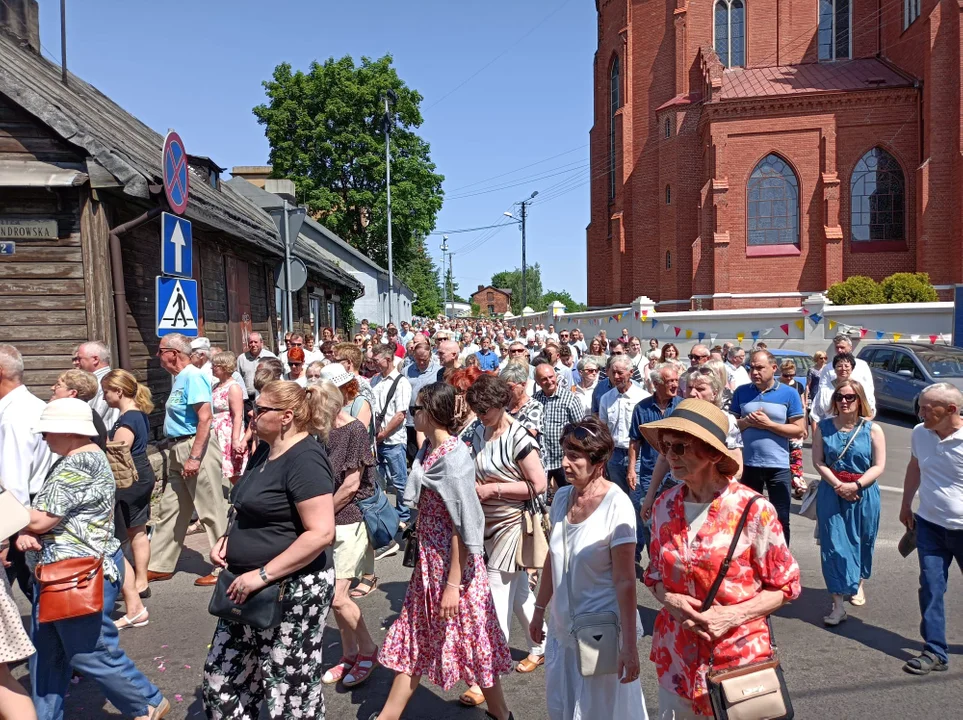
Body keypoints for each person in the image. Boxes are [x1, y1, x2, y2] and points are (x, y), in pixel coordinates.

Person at [641, 399, 801, 718]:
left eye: (681, 447)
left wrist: (729, 616)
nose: (671, 455)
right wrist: (671, 600)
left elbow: (787, 586)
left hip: (737, 662)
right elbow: (653, 576)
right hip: (677, 660)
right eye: (666, 446)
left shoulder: (753, 509)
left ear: (714, 453)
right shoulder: (663, 506)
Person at [19, 398, 169, 720]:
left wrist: (15, 516)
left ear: (69, 431)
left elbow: (42, 519)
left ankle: (147, 701)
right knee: (48, 655)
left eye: (47, 431)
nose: (43, 437)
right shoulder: (83, 457)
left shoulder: (77, 464)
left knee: (89, 652)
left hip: (75, 574)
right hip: (64, 572)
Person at [373, 383, 515, 720]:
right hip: (430, 566)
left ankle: (502, 714)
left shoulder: (452, 459)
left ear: (432, 413)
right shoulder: (428, 453)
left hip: (455, 571)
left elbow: (463, 527)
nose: (411, 416)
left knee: (476, 644)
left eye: (415, 410)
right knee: (416, 640)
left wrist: (453, 584)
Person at [202, 380, 336, 719]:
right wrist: (227, 539)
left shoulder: (306, 459)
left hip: (290, 590)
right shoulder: (265, 448)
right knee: (221, 682)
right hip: (242, 585)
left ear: (286, 416)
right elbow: (249, 503)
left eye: (260, 409)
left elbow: (321, 533)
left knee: (289, 691)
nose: (251, 412)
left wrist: (261, 575)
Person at [529, 417, 647, 720]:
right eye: (565, 454)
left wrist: (630, 648)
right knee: (564, 708)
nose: (565, 464)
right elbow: (553, 559)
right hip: (562, 631)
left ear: (599, 461)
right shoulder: (563, 498)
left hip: (599, 633)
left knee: (596, 712)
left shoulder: (616, 505)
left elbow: (625, 581)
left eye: (575, 456)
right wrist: (539, 609)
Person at [463, 374, 547, 707]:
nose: (480, 415)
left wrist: (493, 489)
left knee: (494, 598)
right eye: (477, 409)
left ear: (502, 405)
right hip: (484, 522)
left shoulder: (519, 436)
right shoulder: (479, 431)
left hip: (512, 523)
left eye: (485, 410)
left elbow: (539, 484)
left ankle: (485, 677)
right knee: (519, 595)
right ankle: (542, 646)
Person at [306, 381, 380, 689]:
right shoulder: (323, 433)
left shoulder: (354, 431)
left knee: (337, 598)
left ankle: (368, 650)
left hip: (349, 521)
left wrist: (321, 514)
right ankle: (349, 654)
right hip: (328, 522)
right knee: (334, 596)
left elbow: (351, 486)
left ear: (331, 407)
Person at [147, 333, 228, 586]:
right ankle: (159, 563)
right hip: (177, 448)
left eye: (160, 350)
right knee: (170, 508)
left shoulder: (193, 376)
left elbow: (205, 418)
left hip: (195, 446)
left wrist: (195, 456)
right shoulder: (180, 378)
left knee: (211, 508)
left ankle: (225, 566)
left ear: (173, 353)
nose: (157, 355)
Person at [899, 382, 963, 675]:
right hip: (929, 525)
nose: (920, 412)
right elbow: (915, 467)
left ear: (951, 410)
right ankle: (935, 650)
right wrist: (905, 504)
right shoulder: (919, 433)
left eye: (928, 407)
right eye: (920, 405)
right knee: (931, 588)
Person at [811, 378, 884, 626]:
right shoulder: (823, 427)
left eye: (849, 397)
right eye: (839, 397)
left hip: (864, 493)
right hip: (832, 491)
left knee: (863, 539)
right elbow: (818, 461)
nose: (843, 401)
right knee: (833, 546)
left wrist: (856, 485)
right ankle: (838, 605)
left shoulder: (872, 429)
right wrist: (839, 486)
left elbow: (879, 465)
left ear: (859, 400)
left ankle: (857, 582)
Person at [101, 369, 157, 630]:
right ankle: (141, 581)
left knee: (123, 534)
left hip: (129, 479)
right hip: (141, 474)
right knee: (138, 529)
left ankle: (134, 583)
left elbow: (118, 454)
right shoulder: (137, 414)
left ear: (119, 391)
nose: (104, 396)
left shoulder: (128, 419)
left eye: (107, 391)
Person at [731, 349, 805, 544]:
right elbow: (732, 425)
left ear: (774, 368)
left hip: (778, 465)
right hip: (748, 464)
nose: (755, 372)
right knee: (747, 517)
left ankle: (781, 562)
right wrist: (746, 422)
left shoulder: (789, 393)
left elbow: (799, 430)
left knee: (780, 518)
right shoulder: (741, 392)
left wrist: (769, 425)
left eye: (760, 368)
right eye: (751, 368)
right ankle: (750, 562)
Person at [0, 345, 54, 597]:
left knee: (36, 587)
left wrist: (13, 530)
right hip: (32, 507)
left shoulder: (14, 416)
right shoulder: (35, 404)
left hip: (21, 511)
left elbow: (14, 477)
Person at [627, 364, 681, 559]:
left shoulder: (682, 406)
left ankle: (673, 561)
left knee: (676, 520)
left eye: (676, 380)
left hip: (679, 474)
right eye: (670, 381)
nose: (675, 385)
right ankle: (655, 562)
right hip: (650, 473)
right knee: (649, 519)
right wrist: (632, 469)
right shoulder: (641, 408)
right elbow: (635, 441)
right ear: (657, 384)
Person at [371, 343, 412, 556]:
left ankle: (403, 518)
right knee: (376, 481)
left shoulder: (401, 382)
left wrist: (382, 434)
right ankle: (385, 515)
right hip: (377, 440)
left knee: (399, 481)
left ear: (388, 359)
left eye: (376, 360)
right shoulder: (375, 380)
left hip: (393, 439)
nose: (373, 363)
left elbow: (400, 415)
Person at [598, 356, 651, 498]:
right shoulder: (606, 398)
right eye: (613, 373)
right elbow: (603, 430)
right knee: (618, 497)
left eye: (620, 373)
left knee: (638, 498)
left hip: (638, 455)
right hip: (614, 456)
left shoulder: (643, 398)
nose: (616, 377)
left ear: (631, 373)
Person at [534, 364, 588, 492]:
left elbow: (579, 430)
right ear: (537, 382)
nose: (549, 381)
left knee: (568, 495)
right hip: (541, 460)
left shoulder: (570, 399)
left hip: (562, 460)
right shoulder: (535, 400)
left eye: (551, 377)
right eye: (544, 379)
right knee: (539, 498)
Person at [211, 351, 248, 486]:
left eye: (215, 365)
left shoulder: (233, 387)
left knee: (232, 470)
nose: (212, 368)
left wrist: (235, 439)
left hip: (228, 431)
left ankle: (242, 496)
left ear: (224, 367)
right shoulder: (216, 385)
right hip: (217, 430)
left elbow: (238, 415)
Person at [816, 334, 876, 409]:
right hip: (834, 408)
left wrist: (870, 409)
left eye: (842, 347)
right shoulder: (828, 368)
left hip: (858, 408)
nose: (839, 350)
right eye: (837, 347)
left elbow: (869, 389)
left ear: (850, 348)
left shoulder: (862, 365)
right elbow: (822, 390)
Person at [404, 337, 441, 460]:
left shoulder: (438, 372)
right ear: (413, 355)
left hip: (429, 419)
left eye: (424, 360)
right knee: (412, 453)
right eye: (418, 359)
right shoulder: (406, 371)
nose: (421, 363)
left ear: (430, 356)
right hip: (410, 419)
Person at [49, 370, 108, 447]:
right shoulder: (84, 415)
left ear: (73, 393)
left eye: (58, 385)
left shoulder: (80, 419)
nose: (52, 388)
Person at [810, 352, 870, 424]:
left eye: (846, 366)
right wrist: (816, 433)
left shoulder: (858, 388)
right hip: (829, 430)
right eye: (839, 366)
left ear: (852, 368)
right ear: (834, 369)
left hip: (853, 428)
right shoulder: (825, 390)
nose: (843, 369)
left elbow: (868, 411)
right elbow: (815, 415)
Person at [780, 359, 808, 497]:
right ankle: (787, 480)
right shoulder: (777, 385)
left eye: (792, 375)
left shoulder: (798, 386)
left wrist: (804, 425)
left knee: (796, 454)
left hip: (795, 424)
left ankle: (797, 482)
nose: (789, 378)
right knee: (783, 455)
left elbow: (803, 407)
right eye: (786, 375)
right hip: (780, 425)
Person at [76, 340, 120, 428]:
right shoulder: (111, 379)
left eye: (79, 359)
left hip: (103, 438)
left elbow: (92, 418)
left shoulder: (101, 383)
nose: (76, 362)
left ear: (95, 360)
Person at [236, 332, 276, 412]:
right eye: (251, 342)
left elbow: (276, 377)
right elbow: (238, 379)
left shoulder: (270, 357)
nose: (253, 344)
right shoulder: (242, 359)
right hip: (248, 400)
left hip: (266, 397)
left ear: (261, 343)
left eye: (255, 342)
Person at [501, 361, 542, 439]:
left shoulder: (534, 406)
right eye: (503, 387)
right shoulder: (503, 406)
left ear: (523, 385)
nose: (506, 391)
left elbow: (528, 435)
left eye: (510, 387)